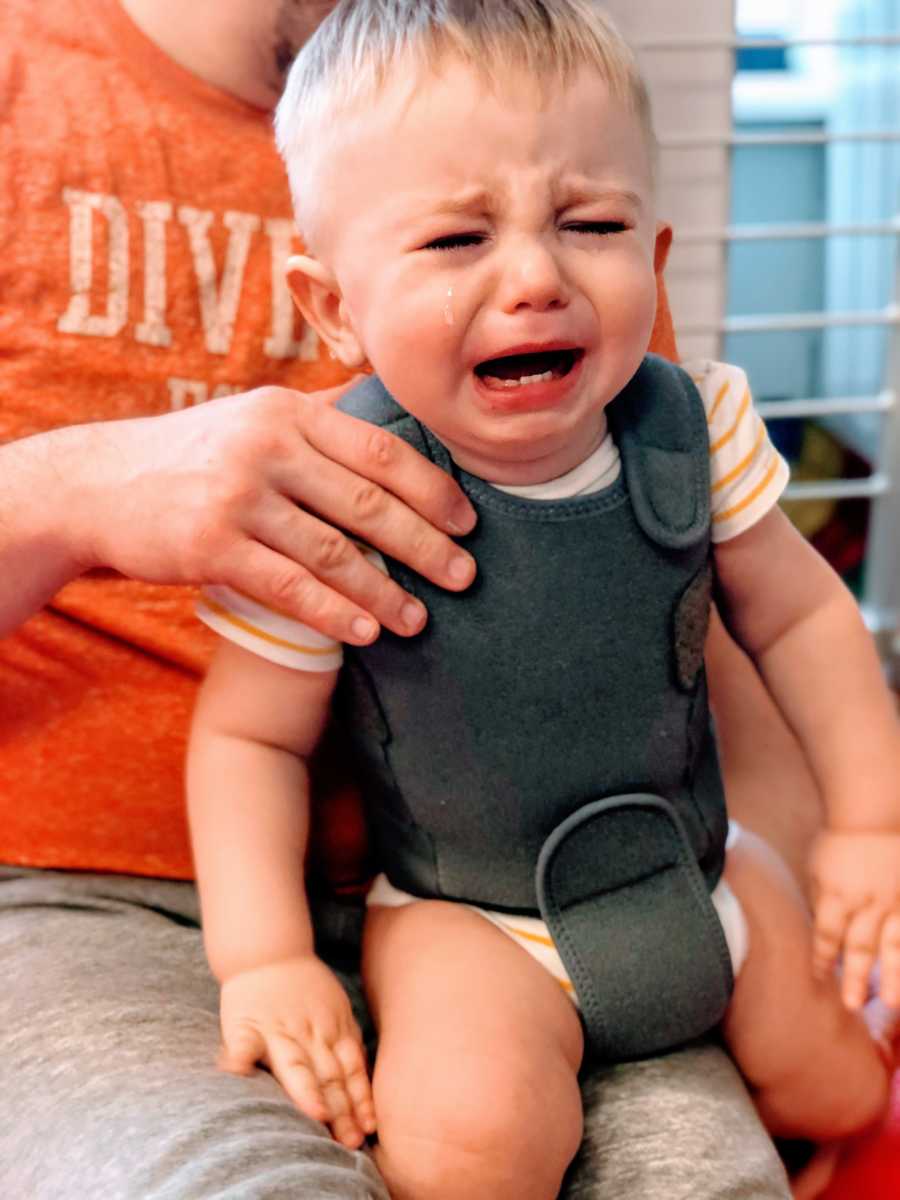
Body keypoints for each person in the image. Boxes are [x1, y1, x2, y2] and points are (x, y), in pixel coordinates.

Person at [0, 0, 800, 1196]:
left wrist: (828, 889)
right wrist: (62, 493)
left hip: (563, 895)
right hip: (98, 905)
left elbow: (699, 624)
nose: (536, 268)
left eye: (584, 224)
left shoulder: (546, 108)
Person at [187, 3, 900, 1198]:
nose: (535, 276)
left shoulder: (696, 429)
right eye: (457, 240)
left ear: (656, 257)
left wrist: (871, 824)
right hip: (468, 922)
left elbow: (805, 618)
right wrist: (263, 957)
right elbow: (248, 733)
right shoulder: (330, 492)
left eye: (592, 222)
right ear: (333, 306)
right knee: (471, 1148)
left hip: (701, 879)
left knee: (842, 1090)